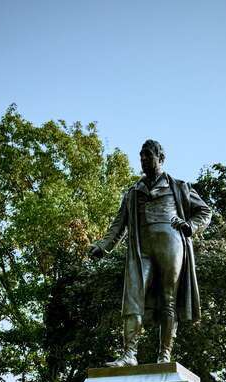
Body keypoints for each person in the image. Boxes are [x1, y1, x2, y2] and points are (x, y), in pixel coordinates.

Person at [89, 139, 211, 365]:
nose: (143, 159)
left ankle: (164, 354)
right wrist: (103, 246)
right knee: (132, 298)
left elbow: (205, 211)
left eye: (148, 155)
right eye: (141, 155)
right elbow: (119, 224)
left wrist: (190, 226)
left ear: (160, 158)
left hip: (171, 245)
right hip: (141, 249)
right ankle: (129, 354)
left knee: (168, 300)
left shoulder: (179, 187)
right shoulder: (133, 192)